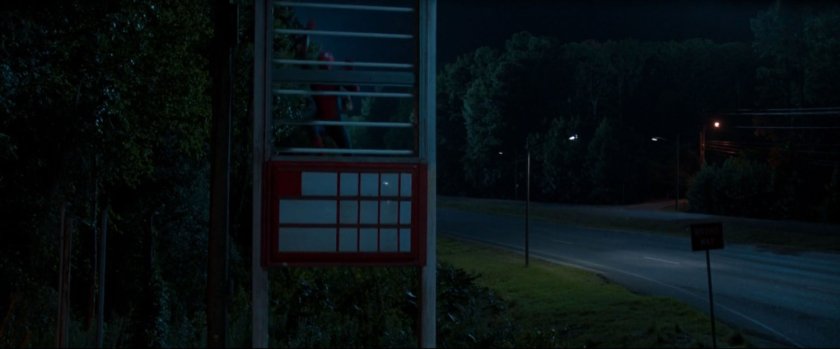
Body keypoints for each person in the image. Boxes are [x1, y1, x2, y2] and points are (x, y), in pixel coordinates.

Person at [292, 21, 359, 149]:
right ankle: (320, 156)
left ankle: (323, 156)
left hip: (334, 121)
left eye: (328, 62)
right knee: (313, 128)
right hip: (323, 120)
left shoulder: (333, 78)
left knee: (347, 150)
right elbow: (302, 57)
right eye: (324, 62)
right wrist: (306, 33)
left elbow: (354, 89)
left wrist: (350, 70)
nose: (326, 66)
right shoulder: (317, 77)